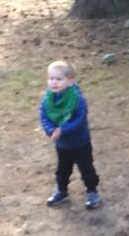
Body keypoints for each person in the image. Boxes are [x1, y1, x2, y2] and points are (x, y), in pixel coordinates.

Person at [40, 60, 101, 209]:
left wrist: (63, 130)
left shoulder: (77, 99)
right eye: (51, 78)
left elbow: (80, 119)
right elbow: (44, 116)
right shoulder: (48, 100)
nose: (54, 82)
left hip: (80, 142)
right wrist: (50, 130)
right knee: (62, 170)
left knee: (86, 169)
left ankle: (92, 191)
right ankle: (62, 191)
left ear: (70, 81)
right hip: (62, 144)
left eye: (59, 79)